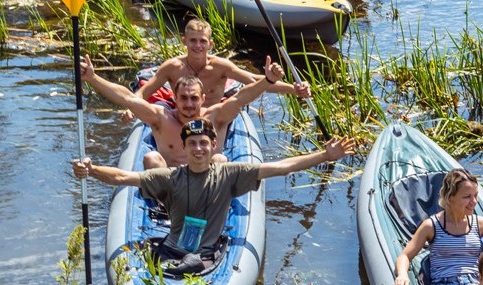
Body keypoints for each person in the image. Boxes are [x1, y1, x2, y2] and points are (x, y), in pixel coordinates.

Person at [73, 118, 354, 259]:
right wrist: (92, 170)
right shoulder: (171, 176)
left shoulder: (231, 174)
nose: (198, 148)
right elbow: (123, 177)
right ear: (184, 147)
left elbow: (282, 167)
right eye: (192, 143)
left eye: (203, 143)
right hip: (171, 250)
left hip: (207, 255)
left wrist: (324, 157)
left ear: (213, 146)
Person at [80, 52, 283, 169]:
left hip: (207, 187)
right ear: (174, 99)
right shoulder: (161, 119)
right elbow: (126, 97)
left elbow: (241, 97)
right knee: (151, 159)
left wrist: (268, 80)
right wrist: (92, 78)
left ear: (203, 99)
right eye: (183, 98)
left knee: (219, 160)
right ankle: (159, 213)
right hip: (171, 188)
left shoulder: (215, 117)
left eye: (194, 98)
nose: (188, 103)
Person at [130, 18, 310, 110]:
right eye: (193, 41)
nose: (198, 46)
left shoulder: (221, 67)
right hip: (182, 117)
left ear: (210, 44)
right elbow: (146, 90)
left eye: (202, 41)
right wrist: (133, 108)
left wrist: (294, 90)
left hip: (214, 116)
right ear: (184, 41)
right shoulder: (172, 67)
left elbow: (255, 81)